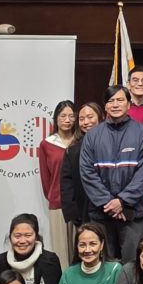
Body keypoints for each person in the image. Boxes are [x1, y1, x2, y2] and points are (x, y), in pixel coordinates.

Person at [81, 84, 143, 261]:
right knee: (102, 263)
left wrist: (123, 201)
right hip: (101, 213)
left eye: (120, 100)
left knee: (132, 265)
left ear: (129, 104)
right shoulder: (92, 135)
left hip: (133, 213)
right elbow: (87, 173)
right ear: (105, 106)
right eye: (111, 101)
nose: (115, 104)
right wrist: (109, 203)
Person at [58, 101, 103, 252]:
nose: (86, 122)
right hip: (82, 212)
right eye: (82, 119)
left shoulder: (111, 144)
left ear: (100, 117)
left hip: (108, 211)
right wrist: (73, 214)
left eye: (90, 117)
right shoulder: (72, 149)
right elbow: (66, 182)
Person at [38, 100, 79, 254]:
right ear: (56, 118)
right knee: (61, 251)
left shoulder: (82, 141)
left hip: (80, 203)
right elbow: (46, 178)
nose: (67, 120)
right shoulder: (47, 144)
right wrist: (53, 196)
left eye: (71, 116)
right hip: (58, 203)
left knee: (80, 249)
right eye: (63, 116)